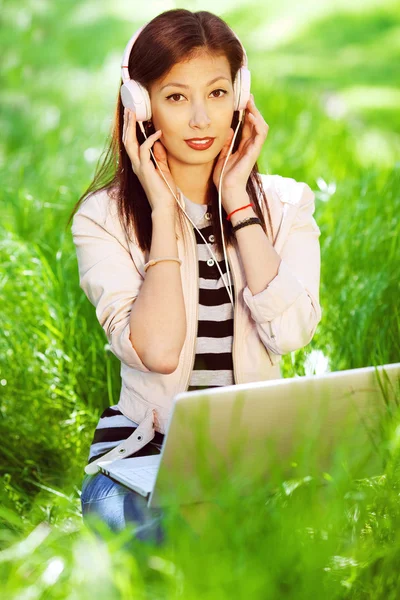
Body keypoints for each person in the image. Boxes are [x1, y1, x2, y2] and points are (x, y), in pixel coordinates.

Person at [68, 8, 322, 543]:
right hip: (143, 453)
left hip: (250, 456)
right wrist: (163, 212)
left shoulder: (286, 204)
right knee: (158, 538)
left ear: (240, 95)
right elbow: (158, 352)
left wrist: (237, 202)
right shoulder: (102, 219)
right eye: (177, 97)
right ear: (141, 104)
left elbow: (292, 331)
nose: (202, 120)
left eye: (217, 93)